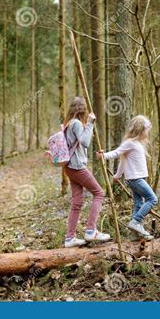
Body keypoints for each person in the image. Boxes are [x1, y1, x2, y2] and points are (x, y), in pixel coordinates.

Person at [97, 115, 158, 239]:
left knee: (138, 203)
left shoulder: (137, 144)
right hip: (136, 180)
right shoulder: (130, 143)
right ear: (140, 130)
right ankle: (136, 221)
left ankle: (135, 234)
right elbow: (116, 153)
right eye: (146, 130)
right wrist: (104, 155)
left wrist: (118, 175)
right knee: (152, 199)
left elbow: (122, 160)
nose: (148, 132)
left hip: (136, 179)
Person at [63, 97, 111, 248]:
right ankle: (91, 231)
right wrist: (90, 123)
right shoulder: (76, 123)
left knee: (77, 201)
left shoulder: (68, 124)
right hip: (77, 166)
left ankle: (70, 238)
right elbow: (85, 142)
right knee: (99, 193)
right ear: (83, 110)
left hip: (69, 166)